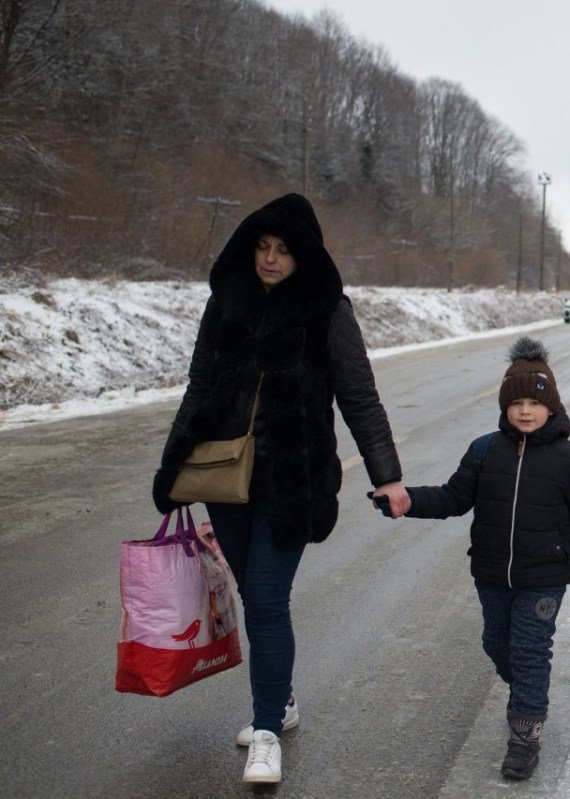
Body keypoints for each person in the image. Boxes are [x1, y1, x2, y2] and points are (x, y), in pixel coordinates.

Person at [152, 193, 410, 785]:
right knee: (254, 595)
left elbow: (359, 396)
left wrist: (387, 476)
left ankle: (266, 730)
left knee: (267, 599)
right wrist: (172, 471)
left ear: (304, 256)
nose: (270, 260)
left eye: (284, 251)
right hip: (225, 478)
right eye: (263, 248)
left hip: (293, 480)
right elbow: (199, 388)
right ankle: (282, 700)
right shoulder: (225, 304)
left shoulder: (328, 311)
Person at [398, 336, 570, 781]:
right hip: (491, 573)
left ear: (551, 407)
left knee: (529, 650)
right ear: (504, 406)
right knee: (496, 644)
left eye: (534, 403)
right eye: (515, 402)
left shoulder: (568, 459)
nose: (525, 410)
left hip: (544, 577)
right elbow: (453, 497)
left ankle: (525, 735)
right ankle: (524, 692)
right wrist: (410, 499)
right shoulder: (485, 450)